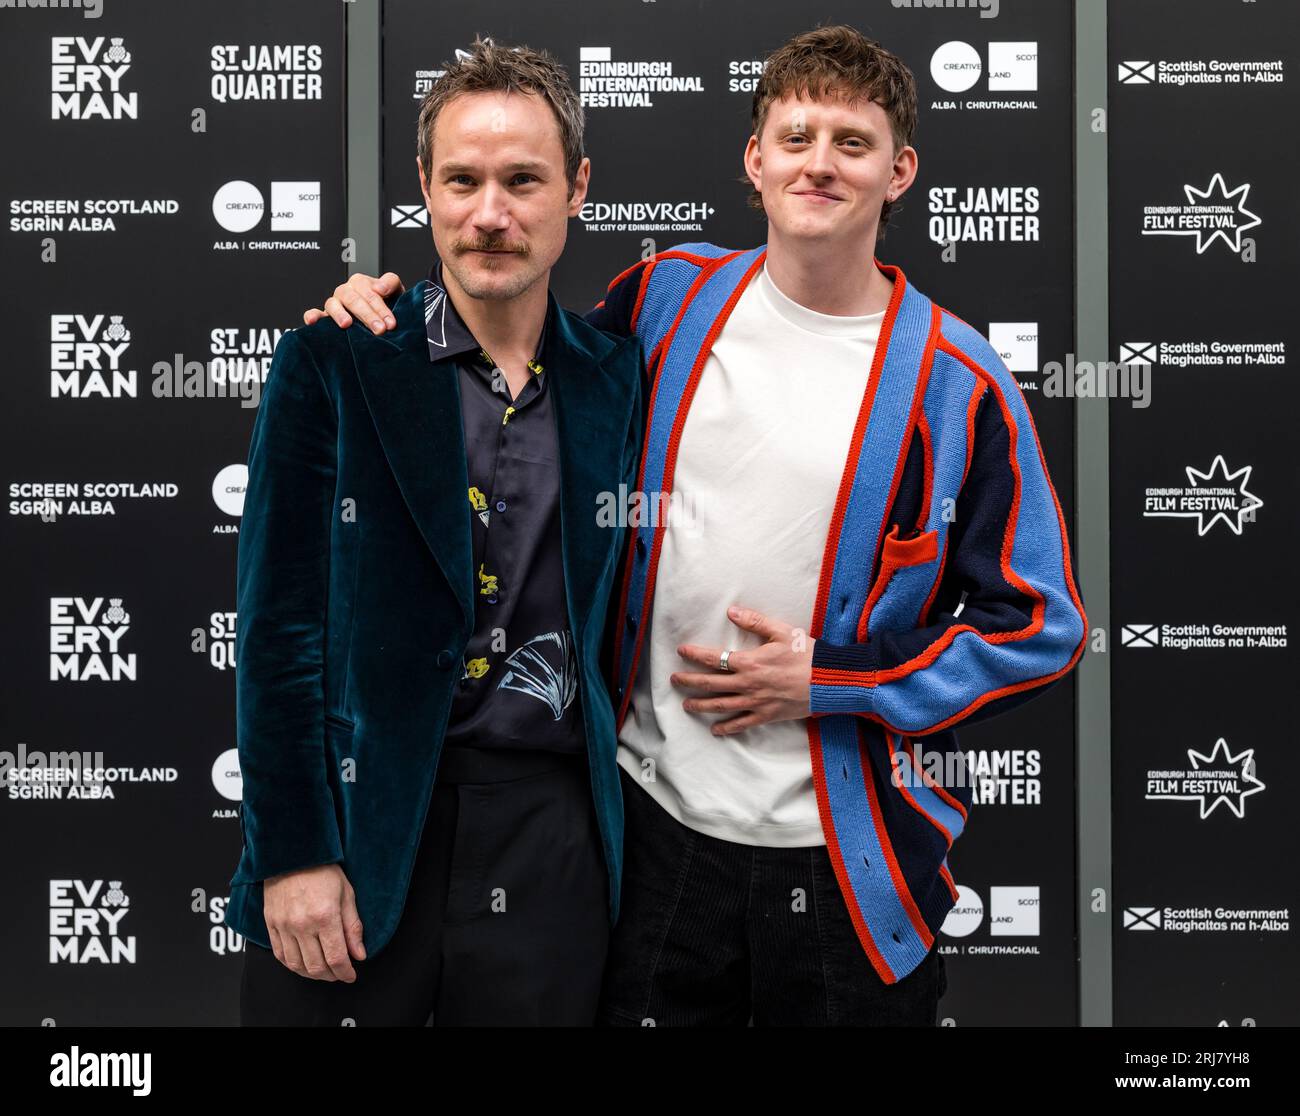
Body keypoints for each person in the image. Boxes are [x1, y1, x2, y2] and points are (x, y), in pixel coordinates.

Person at [307, 24, 1087, 1026]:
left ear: (899, 171)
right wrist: (384, 311)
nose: (819, 163)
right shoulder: (670, 297)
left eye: (851, 143)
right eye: (795, 137)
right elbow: (512, 334)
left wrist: (833, 678)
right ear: (753, 160)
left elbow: (1040, 627)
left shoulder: (956, 382)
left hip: (842, 868)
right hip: (653, 839)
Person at [225, 37, 645, 1025]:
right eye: (462, 180)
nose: (489, 214)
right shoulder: (337, 359)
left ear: (576, 188)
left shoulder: (620, 378)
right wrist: (294, 854)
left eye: (522, 180)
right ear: (424, 185)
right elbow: (276, 634)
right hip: (361, 834)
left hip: (553, 849)